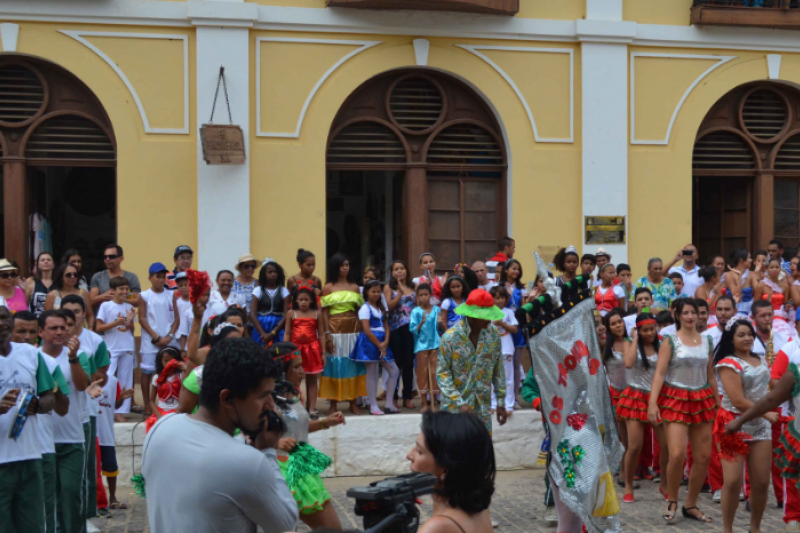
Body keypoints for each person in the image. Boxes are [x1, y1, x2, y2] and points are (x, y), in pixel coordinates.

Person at [141, 338, 298, 533]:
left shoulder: (160, 428)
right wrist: (267, 450)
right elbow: (285, 522)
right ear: (227, 398)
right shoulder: (248, 462)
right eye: (262, 396)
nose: (270, 405)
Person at [648, 298, 718, 523]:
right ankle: (672, 499)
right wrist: (652, 403)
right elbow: (659, 373)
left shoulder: (707, 340)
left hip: (701, 399)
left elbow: (710, 374)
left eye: (694, 313)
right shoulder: (670, 340)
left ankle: (691, 504)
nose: (690, 317)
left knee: (703, 456)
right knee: (677, 454)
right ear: (677, 315)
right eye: (685, 313)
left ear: (699, 315)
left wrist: (718, 403)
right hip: (675, 399)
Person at [269, 342, 345, 530]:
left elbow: (298, 429)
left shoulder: (296, 395)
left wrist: (325, 422)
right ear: (281, 371)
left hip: (302, 465)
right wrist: (277, 442)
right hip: (281, 469)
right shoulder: (265, 400)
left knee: (333, 529)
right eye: (296, 367)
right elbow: (251, 435)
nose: (302, 371)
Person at [0, 305, 57, 533]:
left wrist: (38, 405)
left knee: (33, 525)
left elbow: (48, 397)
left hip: (30, 456)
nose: (2, 323)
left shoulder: (30, 354)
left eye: (5, 317)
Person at [713, 319, 773, 533]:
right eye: (741, 335)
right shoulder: (727, 363)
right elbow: (737, 400)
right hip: (733, 425)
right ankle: (727, 529)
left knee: (762, 483)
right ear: (731, 338)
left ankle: (754, 528)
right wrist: (767, 413)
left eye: (750, 334)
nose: (747, 338)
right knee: (732, 482)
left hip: (760, 426)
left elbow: (769, 387)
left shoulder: (760, 359)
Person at [40, 310, 97, 533]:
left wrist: (72, 358)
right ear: (41, 332)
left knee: (72, 494)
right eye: (53, 328)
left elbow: (83, 385)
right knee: (47, 498)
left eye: (63, 327)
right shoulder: (33, 357)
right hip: (42, 440)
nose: (59, 332)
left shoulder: (79, 355)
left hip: (71, 438)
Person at [62, 295, 110, 525]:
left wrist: (90, 382)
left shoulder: (93, 341)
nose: (72, 316)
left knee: (87, 465)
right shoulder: (50, 343)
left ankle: (87, 515)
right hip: (59, 414)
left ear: (84, 314)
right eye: (67, 312)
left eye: (77, 312)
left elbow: (101, 374)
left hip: (86, 410)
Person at [407, 411, 496, 533]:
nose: (409, 455)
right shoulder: (480, 513)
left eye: (419, 451)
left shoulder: (437, 528)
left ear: (444, 471)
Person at [437, 289, 508, 434]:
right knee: (455, 454)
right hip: (454, 412)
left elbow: (498, 368)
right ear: (473, 316)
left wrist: (501, 402)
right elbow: (442, 375)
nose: (489, 320)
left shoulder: (493, 334)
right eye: (485, 316)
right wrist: (459, 403)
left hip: (482, 410)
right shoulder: (450, 338)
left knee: (481, 453)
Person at [619, 312, 667, 503]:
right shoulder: (630, 344)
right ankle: (629, 484)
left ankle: (664, 484)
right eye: (645, 330)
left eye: (651, 329)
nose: (649, 333)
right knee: (635, 445)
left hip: (657, 398)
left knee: (666, 446)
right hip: (636, 396)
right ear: (638, 330)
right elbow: (628, 363)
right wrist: (635, 338)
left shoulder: (662, 345)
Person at [319, 253, 366, 415]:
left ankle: (353, 402)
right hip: (334, 330)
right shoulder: (328, 287)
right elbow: (324, 313)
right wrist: (327, 335)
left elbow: (360, 311)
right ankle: (334, 403)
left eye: (347, 265)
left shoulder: (354, 287)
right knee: (334, 365)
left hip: (353, 330)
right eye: (342, 265)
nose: (345, 268)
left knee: (352, 365)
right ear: (335, 267)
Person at [179, 308, 246, 415]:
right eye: (231, 324)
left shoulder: (249, 354)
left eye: (240, 325)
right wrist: (197, 319)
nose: (236, 328)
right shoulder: (200, 374)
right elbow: (192, 354)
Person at [352, 280, 399, 416]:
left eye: (378, 291)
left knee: (394, 371)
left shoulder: (381, 308)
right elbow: (366, 330)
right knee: (371, 373)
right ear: (366, 292)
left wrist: (385, 342)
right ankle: (373, 405)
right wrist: (379, 346)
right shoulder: (364, 308)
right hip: (370, 341)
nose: (376, 294)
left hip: (382, 340)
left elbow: (386, 326)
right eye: (373, 291)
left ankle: (389, 404)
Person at [138, 263, 179, 417]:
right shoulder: (144, 296)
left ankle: (169, 404)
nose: (160, 280)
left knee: (169, 370)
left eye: (163, 277)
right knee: (147, 371)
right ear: (150, 278)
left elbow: (176, 318)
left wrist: (170, 336)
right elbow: (142, 319)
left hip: (169, 340)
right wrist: (155, 337)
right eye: (157, 277)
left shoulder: (171, 295)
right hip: (151, 341)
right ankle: (148, 404)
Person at [95, 277, 137, 421]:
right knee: (109, 378)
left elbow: (132, 329)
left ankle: (121, 411)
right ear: (113, 290)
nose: (124, 292)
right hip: (111, 347)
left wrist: (130, 321)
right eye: (121, 289)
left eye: (126, 289)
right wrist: (115, 323)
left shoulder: (129, 307)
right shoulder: (106, 306)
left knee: (125, 379)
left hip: (127, 346)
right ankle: (106, 407)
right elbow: (99, 327)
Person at [284, 286, 326, 417]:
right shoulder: (291, 313)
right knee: (294, 379)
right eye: (300, 299)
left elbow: (322, 334)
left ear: (312, 301)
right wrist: (286, 350)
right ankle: (296, 406)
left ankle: (312, 408)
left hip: (312, 349)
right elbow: (287, 333)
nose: (303, 302)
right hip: (296, 350)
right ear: (295, 300)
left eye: (306, 300)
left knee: (312, 379)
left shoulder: (316, 313)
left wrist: (323, 352)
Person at [96, 373, 133, 511]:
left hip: (106, 433)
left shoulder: (113, 381)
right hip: (92, 433)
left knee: (111, 467)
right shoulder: (86, 379)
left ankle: (112, 497)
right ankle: (94, 499)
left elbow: (114, 404)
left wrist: (121, 398)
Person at [384, 260, 417, 410]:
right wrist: (399, 295)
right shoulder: (388, 288)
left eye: (402, 268)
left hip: (411, 329)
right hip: (395, 329)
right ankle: (394, 396)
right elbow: (388, 308)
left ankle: (408, 396)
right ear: (392, 273)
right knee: (396, 363)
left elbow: (418, 307)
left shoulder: (413, 287)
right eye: (396, 269)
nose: (400, 271)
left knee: (409, 363)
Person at [604, 308, 630, 484]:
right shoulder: (606, 347)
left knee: (632, 438)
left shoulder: (631, 342)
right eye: (613, 324)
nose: (618, 326)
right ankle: (622, 472)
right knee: (622, 436)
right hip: (615, 394)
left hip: (632, 394)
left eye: (619, 322)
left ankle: (630, 470)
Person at [411, 284, 441, 412]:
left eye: (426, 294)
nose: (424, 297)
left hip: (435, 344)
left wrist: (440, 322)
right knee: (422, 373)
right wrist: (421, 322)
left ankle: (434, 402)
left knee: (435, 372)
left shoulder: (436, 309)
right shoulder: (415, 311)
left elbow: (440, 328)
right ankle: (424, 403)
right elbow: (413, 330)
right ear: (418, 297)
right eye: (421, 295)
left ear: (431, 295)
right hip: (421, 346)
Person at [488, 286, 517, 416]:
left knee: (508, 380)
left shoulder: (509, 312)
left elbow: (515, 330)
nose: (500, 301)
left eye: (502, 298)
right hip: (492, 349)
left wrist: (503, 324)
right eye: (497, 298)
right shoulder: (487, 313)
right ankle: (494, 404)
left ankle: (508, 404)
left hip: (506, 349)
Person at [89, 245, 141, 311]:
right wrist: (104, 296)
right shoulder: (98, 276)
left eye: (111, 257)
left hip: (125, 319)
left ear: (121, 259)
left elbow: (137, 300)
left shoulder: (131, 277)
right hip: (104, 319)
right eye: (105, 257)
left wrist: (121, 297)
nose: (107, 259)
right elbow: (91, 301)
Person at [250, 259, 290, 346]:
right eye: (270, 272)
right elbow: (252, 314)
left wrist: (273, 332)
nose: (273, 274)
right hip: (260, 326)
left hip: (278, 326)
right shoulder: (258, 290)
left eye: (275, 271)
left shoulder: (284, 291)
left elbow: (287, 314)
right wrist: (262, 333)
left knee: (278, 352)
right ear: (264, 274)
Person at [146, 347, 185, 432]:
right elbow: (151, 401)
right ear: (160, 361)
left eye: (172, 361)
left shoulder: (181, 376)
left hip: (177, 411)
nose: (168, 363)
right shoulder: (156, 378)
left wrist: (183, 366)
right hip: (161, 412)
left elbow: (188, 371)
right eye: (166, 360)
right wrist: (158, 415)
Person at [44, 262, 95, 328]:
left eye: (75, 275)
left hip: (82, 332)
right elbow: (47, 317)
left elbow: (90, 315)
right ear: (61, 277)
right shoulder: (52, 295)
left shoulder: (84, 293)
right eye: (68, 275)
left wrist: (90, 329)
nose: (72, 277)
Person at [755, 257, 794, 337]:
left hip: (780, 316)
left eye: (777, 267)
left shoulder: (785, 286)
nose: (774, 269)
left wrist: (789, 304)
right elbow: (755, 304)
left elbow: (785, 305)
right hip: (764, 315)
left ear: (780, 269)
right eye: (771, 267)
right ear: (767, 269)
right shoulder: (761, 285)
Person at [26, 251, 55, 317]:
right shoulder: (31, 281)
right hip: (35, 321)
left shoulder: (59, 282)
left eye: (48, 260)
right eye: (42, 260)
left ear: (53, 264)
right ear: (38, 265)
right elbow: (25, 304)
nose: (46, 261)